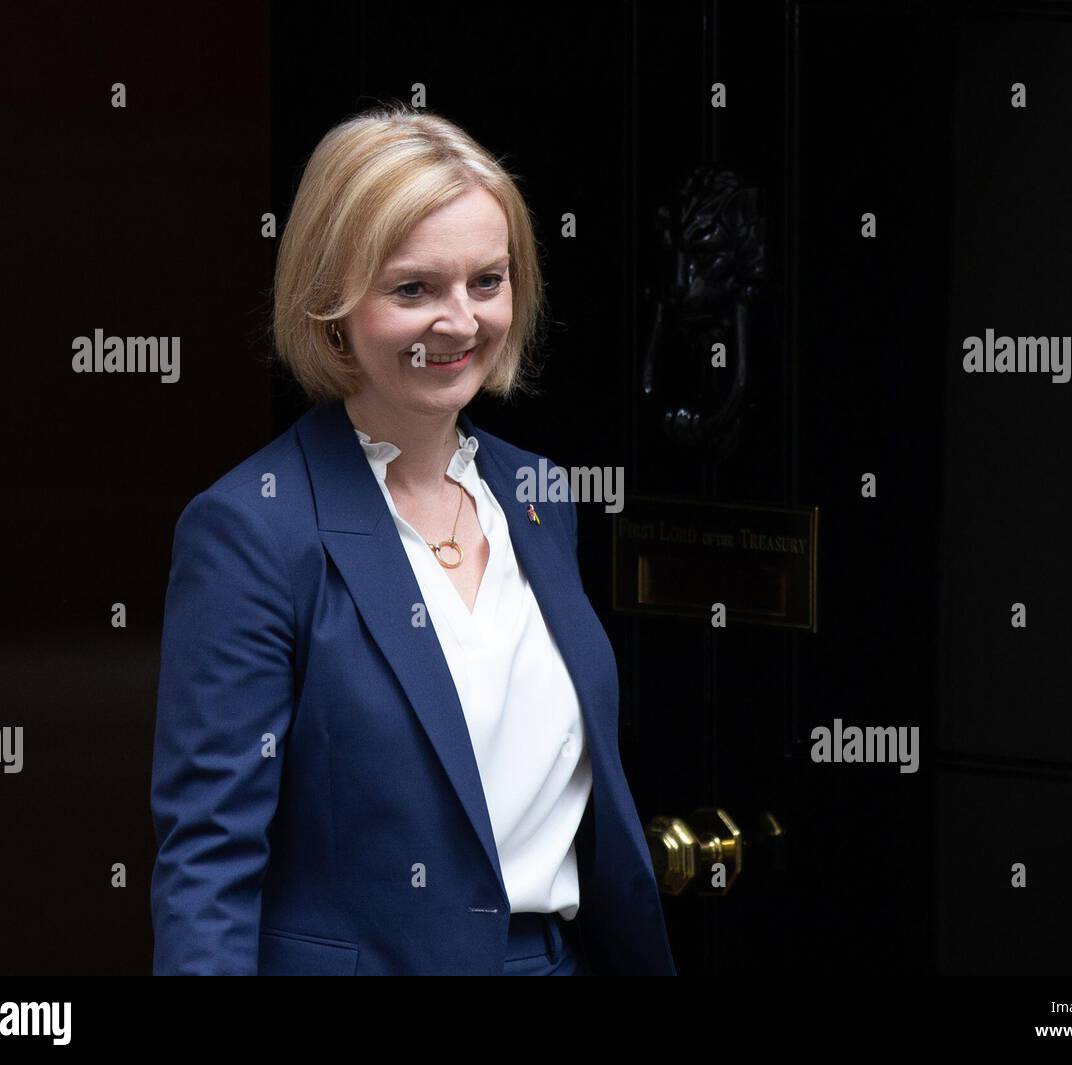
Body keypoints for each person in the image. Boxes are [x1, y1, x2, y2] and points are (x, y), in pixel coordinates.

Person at [149, 103, 677, 975]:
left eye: (487, 280)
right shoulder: (251, 528)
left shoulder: (539, 494)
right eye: (413, 289)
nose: (461, 322)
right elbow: (207, 866)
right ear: (331, 302)